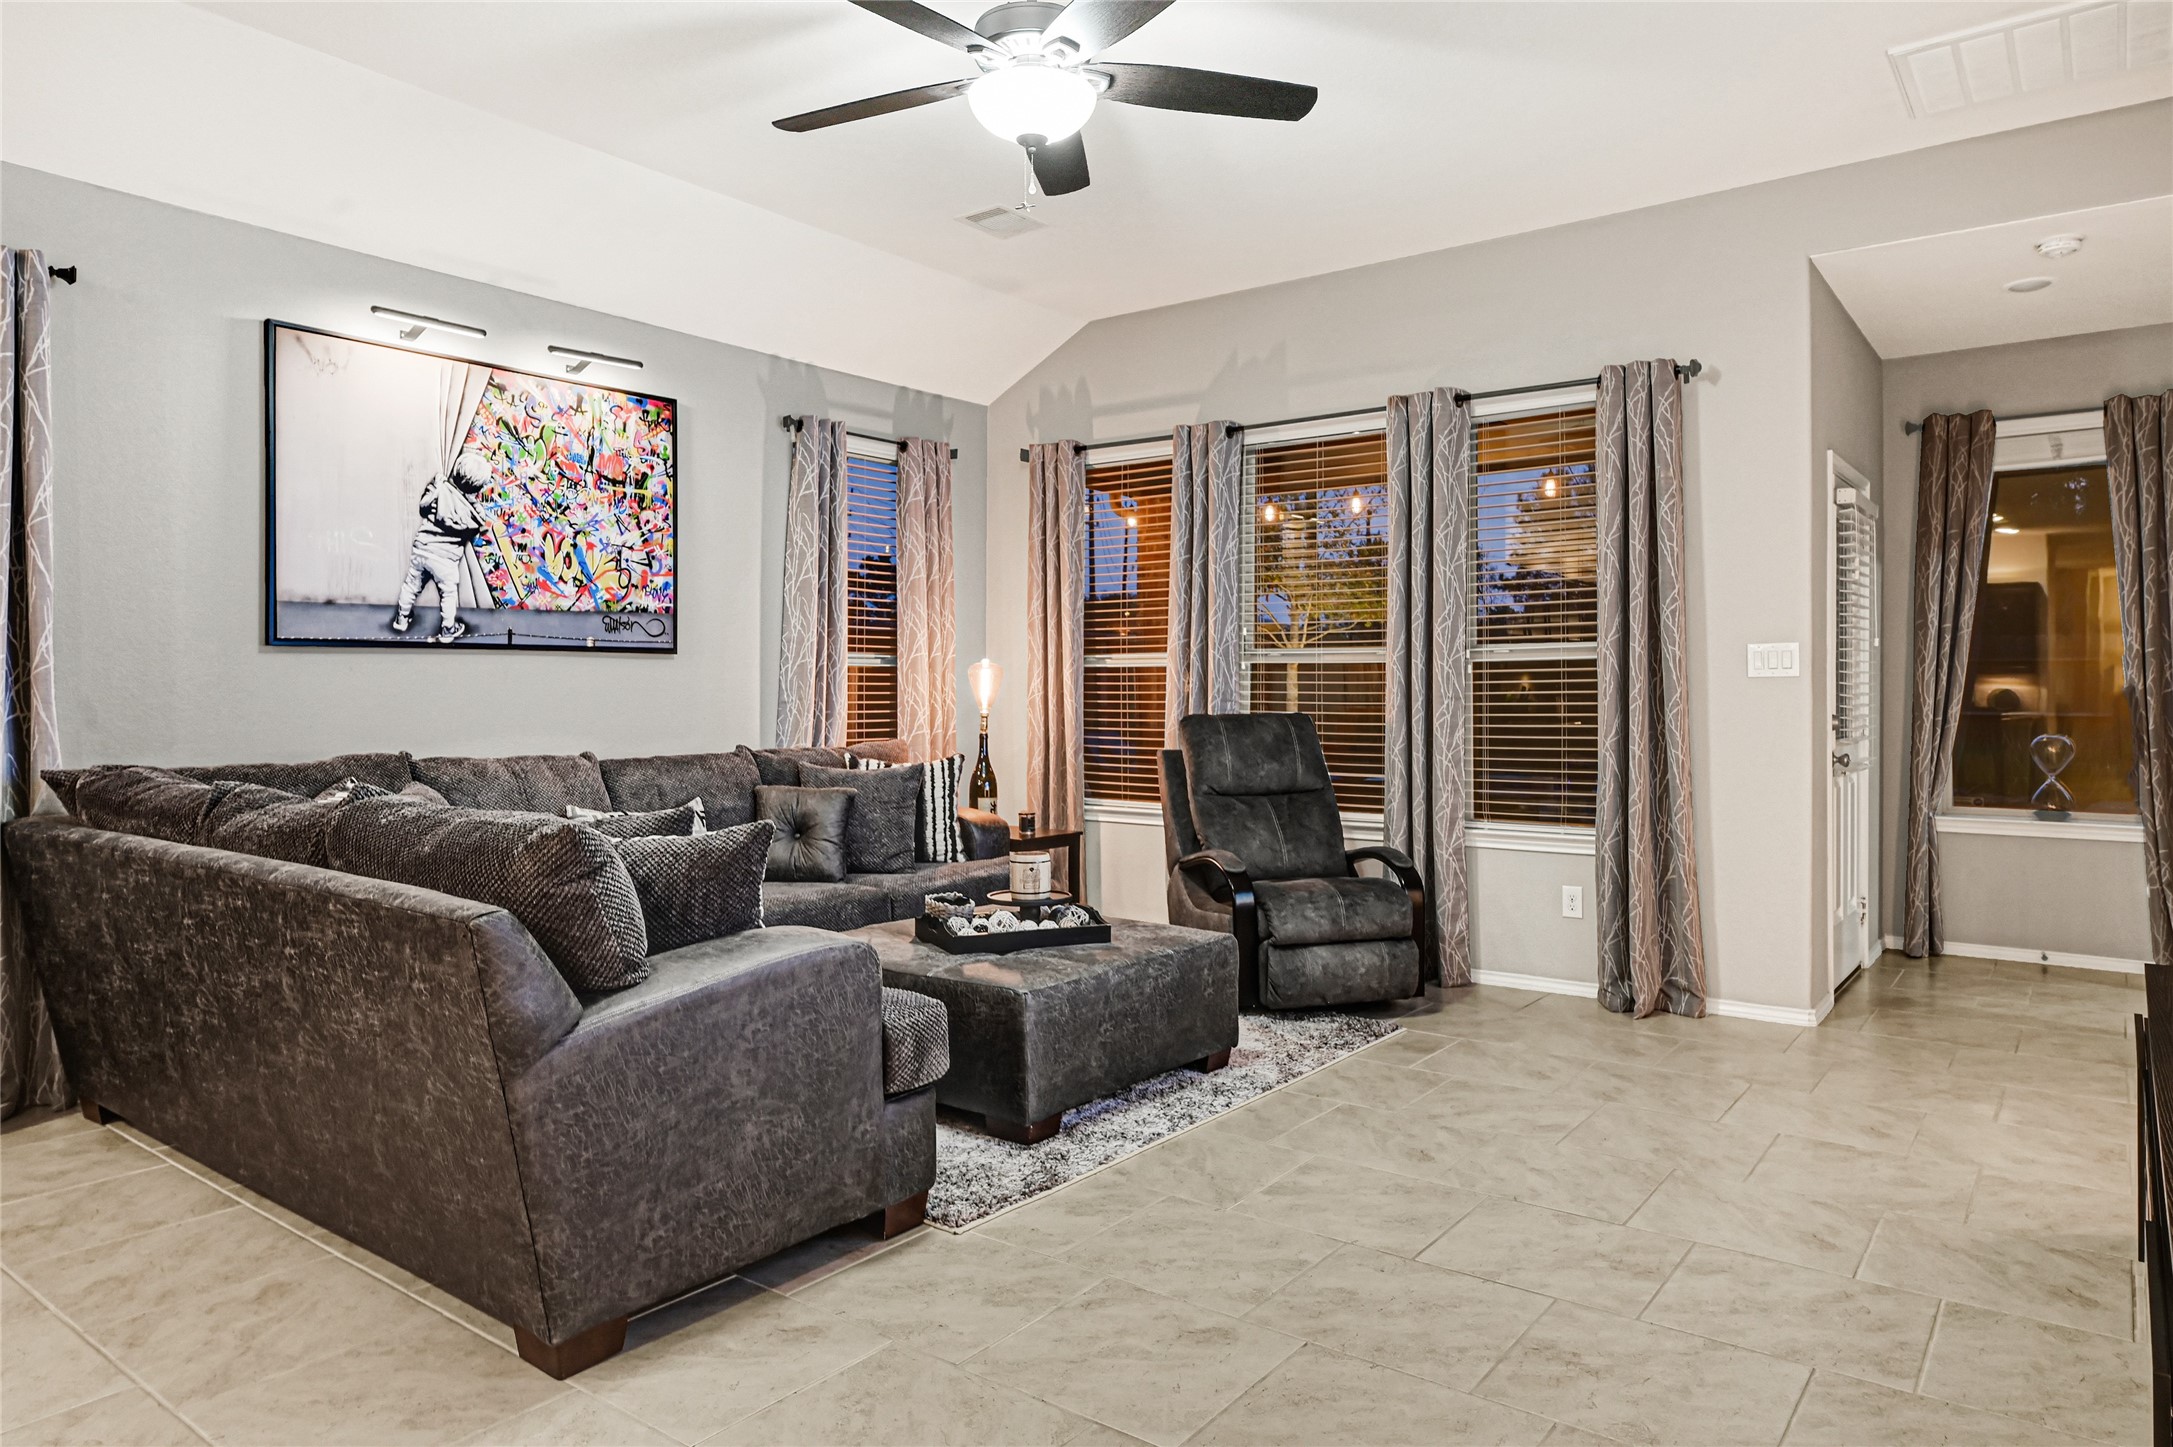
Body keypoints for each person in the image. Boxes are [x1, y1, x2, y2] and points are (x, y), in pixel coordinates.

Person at [391, 449, 491, 642]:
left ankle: (401, 619)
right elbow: (474, 530)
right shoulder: (475, 514)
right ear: (477, 489)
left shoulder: (440, 490)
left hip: (423, 549)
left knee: (411, 585)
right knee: (448, 594)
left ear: (455, 471)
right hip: (446, 560)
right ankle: (447, 629)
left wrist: (436, 487)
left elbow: (423, 508)